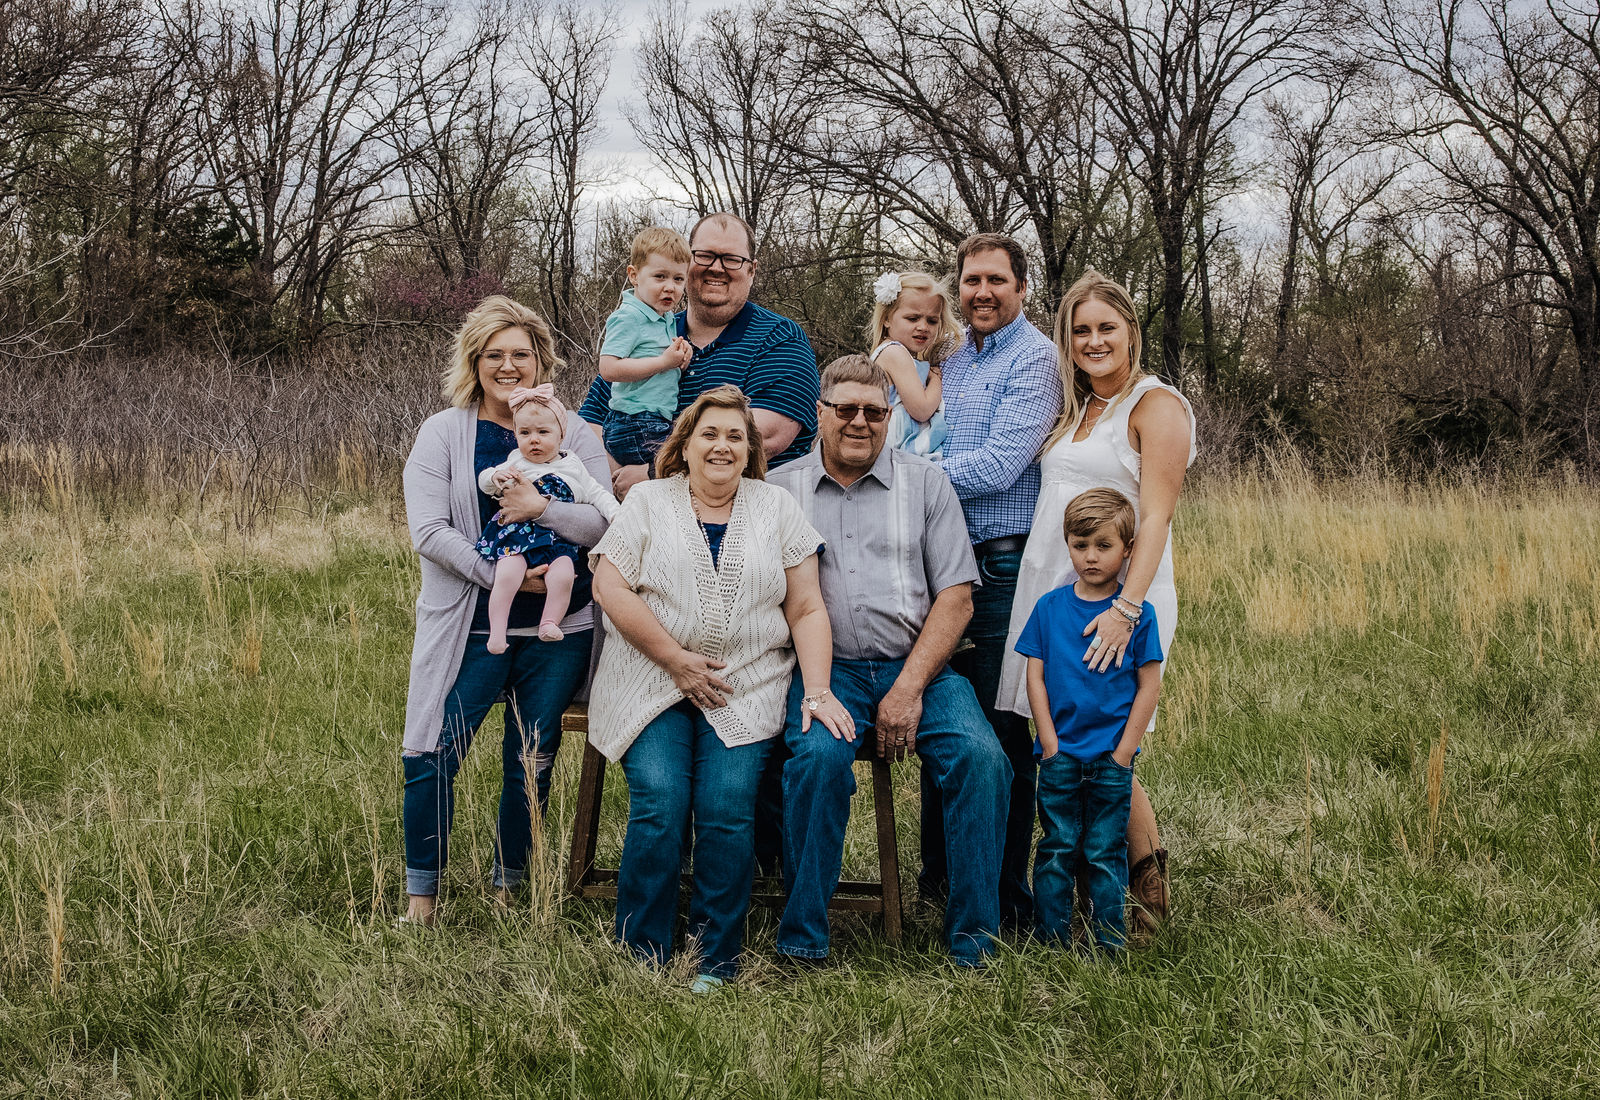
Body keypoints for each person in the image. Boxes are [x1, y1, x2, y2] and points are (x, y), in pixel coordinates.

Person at [587, 384, 853, 991]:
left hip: (745, 685)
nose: (722, 446)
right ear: (685, 444)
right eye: (709, 433)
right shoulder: (648, 500)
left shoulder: (775, 505)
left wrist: (816, 692)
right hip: (650, 679)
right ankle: (644, 950)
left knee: (727, 807)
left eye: (736, 436)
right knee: (661, 801)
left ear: (751, 449)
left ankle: (714, 957)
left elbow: (807, 607)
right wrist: (676, 660)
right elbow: (609, 587)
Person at [769, 354, 1010, 968]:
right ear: (820, 413)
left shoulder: (926, 484)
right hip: (827, 673)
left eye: (874, 412)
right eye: (845, 409)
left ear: (889, 417)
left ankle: (974, 941)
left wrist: (909, 688)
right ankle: (803, 938)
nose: (860, 422)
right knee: (818, 761)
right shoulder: (778, 490)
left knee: (982, 759)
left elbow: (956, 598)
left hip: (921, 666)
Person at [400, 295, 614, 927]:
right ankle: (421, 901)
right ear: (475, 362)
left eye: (522, 353)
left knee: (531, 759)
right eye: (494, 354)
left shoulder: (574, 432)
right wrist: (500, 576)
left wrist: (542, 511)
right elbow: (429, 531)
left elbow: (605, 522)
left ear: (541, 360)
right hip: (468, 625)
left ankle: (508, 893)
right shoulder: (443, 433)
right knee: (433, 751)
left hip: (559, 631)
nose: (508, 366)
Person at [996, 268, 1195, 931]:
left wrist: (1124, 611)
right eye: (1080, 330)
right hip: (1058, 595)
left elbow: (1157, 517)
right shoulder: (1079, 406)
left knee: (1106, 743)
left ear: (1131, 330)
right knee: (1072, 741)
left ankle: (1146, 895)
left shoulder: (1155, 405)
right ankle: (1087, 892)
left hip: (1118, 600)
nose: (1093, 341)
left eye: (1106, 327)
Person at [918, 232, 1063, 931]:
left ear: (1022, 288)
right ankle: (942, 882)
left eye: (996, 280)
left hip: (1002, 567)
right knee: (940, 723)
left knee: (1001, 733)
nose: (981, 292)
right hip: (939, 565)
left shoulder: (1036, 359)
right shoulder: (951, 359)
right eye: (971, 280)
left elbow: (1001, 466)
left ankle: (1005, 898)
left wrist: (904, 479)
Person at [580, 212, 820, 490]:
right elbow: (588, 427)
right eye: (704, 256)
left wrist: (654, 474)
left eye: (731, 259)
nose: (716, 268)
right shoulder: (650, 330)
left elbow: (761, 438)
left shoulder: (780, 339)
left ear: (751, 271)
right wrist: (619, 477)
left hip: (745, 512)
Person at [1019, 488, 1163, 952]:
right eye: (1080, 545)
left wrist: (1124, 753)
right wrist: (1049, 743)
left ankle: (1109, 942)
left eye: (1104, 545)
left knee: (1105, 850)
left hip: (1111, 758)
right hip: (1059, 756)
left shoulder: (1140, 617)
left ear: (1128, 550)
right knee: (1056, 848)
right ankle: (1051, 939)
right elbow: (1035, 677)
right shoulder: (1049, 608)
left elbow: (1149, 686)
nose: (1091, 556)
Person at [476, 385, 619, 652]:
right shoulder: (515, 462)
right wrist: (494, 477)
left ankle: (549, 623)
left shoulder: (573, 466)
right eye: (525, 433)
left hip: (557, 541)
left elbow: (598, 494)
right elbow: (485, 480)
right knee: (507, 576)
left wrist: (616, 516)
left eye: (543, 432)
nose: (534, 440)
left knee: (563, 575)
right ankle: (497, 632)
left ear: (561, 435)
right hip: (516, 538)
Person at [597, 226, 695, 469]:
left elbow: (658, 362)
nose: (670, 287)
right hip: (635, 421)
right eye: (660, 276)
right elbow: (608, 368)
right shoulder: (629, 317)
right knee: (683, 467)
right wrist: (663, 362)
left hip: (655, 420)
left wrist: (680, 357)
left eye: (678, 279)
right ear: (634, 275)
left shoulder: (665, 318)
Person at [865, 270, 961, 459]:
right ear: (886, 318)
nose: (923, 327)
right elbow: (921, 410)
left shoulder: (899, 354)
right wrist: (936, 379)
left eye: (932, 321)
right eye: (912, 318)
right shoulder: (894, 353)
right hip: (896, 453)